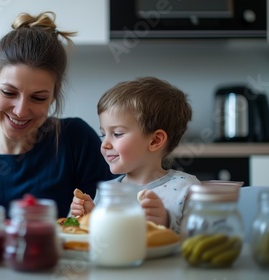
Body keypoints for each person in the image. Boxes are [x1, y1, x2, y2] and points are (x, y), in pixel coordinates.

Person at [0, 11, 114, 221]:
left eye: (38, 98)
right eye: (9, 93)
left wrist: (96, 214)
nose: (20, 111)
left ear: (53, 95)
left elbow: (110, 215)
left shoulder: (74, 141)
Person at [70, 76, 200, 233]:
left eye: (117, 134)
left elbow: (201, 241)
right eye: (103, 134)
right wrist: (89, 217)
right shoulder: (107, 191)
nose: (105, 144)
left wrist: (166, 221)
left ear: (155, 141)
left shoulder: (186, 188)